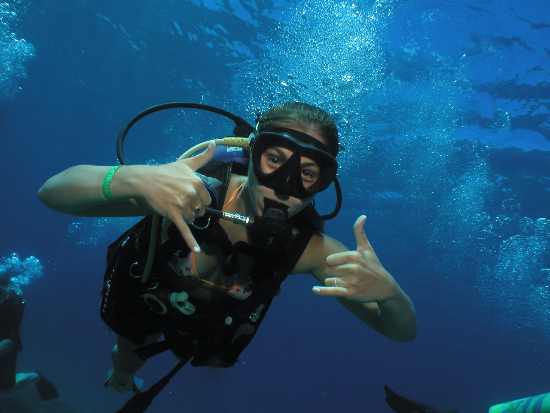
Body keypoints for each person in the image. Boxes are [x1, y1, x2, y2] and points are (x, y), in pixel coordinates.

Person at [38, 101, 417, 408]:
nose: (284, 187)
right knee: (129, 347)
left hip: (209, 325)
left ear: (322, 184)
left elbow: (400, 331)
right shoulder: (189, 193)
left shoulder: (309, 250)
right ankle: (121, 376)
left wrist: (390, 293)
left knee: (209, 357)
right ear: (252, 153)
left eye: (306, 172)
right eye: (274, 159)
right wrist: (133, 179)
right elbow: (53, 191)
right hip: (146, 298)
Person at [0, 255, 78, 412]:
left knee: (6, 388)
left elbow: (11, 339)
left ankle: (36, 377)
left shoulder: (13, 304)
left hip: (7, 344)